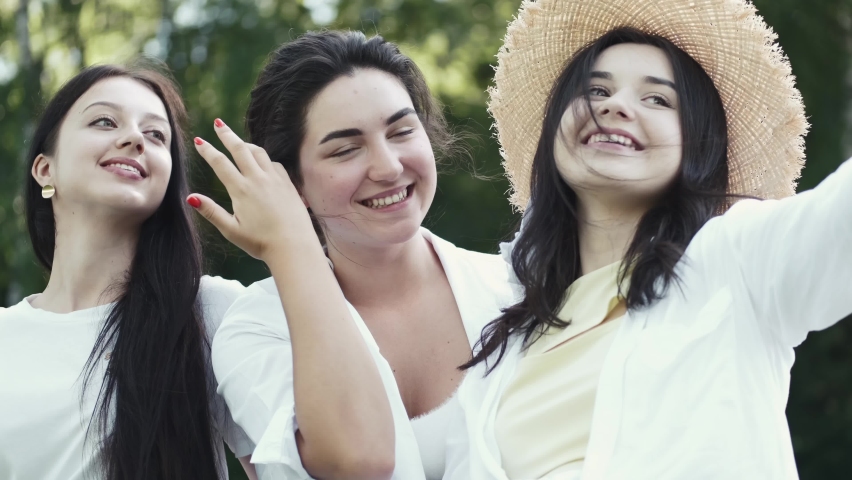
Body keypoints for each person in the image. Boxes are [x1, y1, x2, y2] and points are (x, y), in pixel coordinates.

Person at [446, 0, 851, 479]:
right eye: (596, 90)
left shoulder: (735, 261)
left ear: (698, 142)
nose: (614, 105)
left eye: (657, 99)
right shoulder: (502, 324)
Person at [188, 31, 513, 479]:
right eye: (345, 149)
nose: (389, 167)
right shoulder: (258, 328)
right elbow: (359, 463)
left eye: (401, 131)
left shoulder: (516, 289)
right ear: (291, 184)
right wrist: (290, 245)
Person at [0, 63, 256, 480]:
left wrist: (288, 247)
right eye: (104, 121)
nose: (135, 138)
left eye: (156, 135)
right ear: (45, 169)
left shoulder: (212, 313)